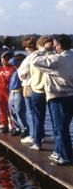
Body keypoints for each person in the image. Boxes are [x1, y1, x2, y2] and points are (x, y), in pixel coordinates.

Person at [31, 34, 73, 165]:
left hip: (59, 97)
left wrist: (42, 49)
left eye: (55, 45)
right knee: (63, 126)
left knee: (60, 128)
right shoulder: (71, 56)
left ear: (59, 46)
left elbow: (34, 61)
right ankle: (59, 151)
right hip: (70, 95)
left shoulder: (58, 59)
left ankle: (65, 157)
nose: (53, 47)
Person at [27, 36, 54, 151]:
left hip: (37, 90)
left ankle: (38, 142)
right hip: (51, 91)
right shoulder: (54, 56)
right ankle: (58, 146)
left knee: (38, 117)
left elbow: (24, 71)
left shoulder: (35, 56)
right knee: (55, 120)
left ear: (40, 45)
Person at [18, 37, 37, 144]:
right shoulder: (41, 55)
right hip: (39, 87)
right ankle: (39, 134)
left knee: (31, 112)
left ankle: (33, 135)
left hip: (29, 85)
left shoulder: (29, 58)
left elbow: (22, 73)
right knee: (38, 113)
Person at [0, 51, 15, 133]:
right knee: (2, 108)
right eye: (2, 59)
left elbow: (13, 80)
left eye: (5, 59)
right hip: (0, 91)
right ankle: (4, 123)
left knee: (11, 108)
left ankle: (12, 124)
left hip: (9, 91)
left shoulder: (13, 68)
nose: (3, 61)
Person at [8, 54, 28, 136]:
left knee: (19, 111)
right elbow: (11, 61)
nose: (14, 62)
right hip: (12, 92)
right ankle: (17, 128)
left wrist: (21, 60)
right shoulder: (15, 70)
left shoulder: (22, 69)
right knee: (12, 111)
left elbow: (12, 60)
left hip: (19, 92)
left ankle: (24, 128)